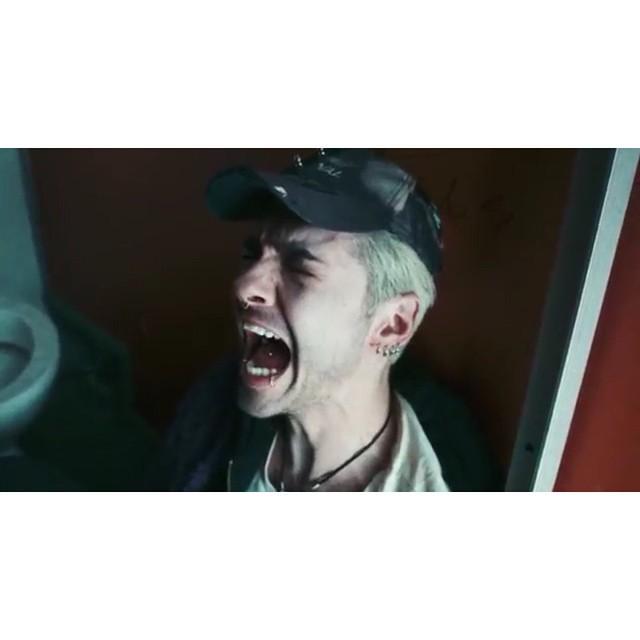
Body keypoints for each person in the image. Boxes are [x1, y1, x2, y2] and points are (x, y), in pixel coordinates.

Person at [150, 149, 500, 491]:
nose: (244, 285)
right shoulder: (216, 410)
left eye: (300, 266)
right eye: (252, 254)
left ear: (392, 325)